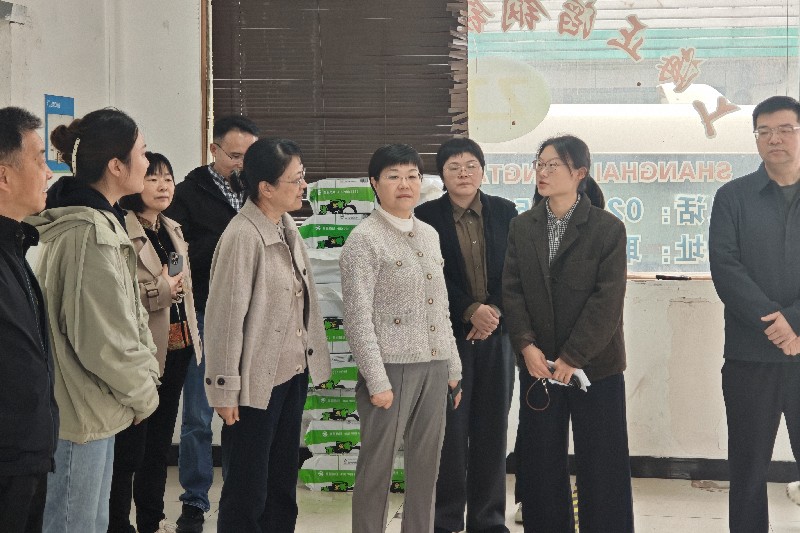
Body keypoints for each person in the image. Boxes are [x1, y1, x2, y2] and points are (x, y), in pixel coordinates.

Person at [28, 108, 160, 533]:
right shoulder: (88, 234)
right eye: (142, 153)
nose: (148, 162)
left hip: (93, 408)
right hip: (80, 414)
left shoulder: (98, 222)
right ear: (116, 166)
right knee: (74, 524)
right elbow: (103, 342)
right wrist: (144, 394)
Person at [503, 135, 633, 532]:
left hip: (596, 366)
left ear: (580, 173)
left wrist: (573, 357)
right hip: (539, 364)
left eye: (553, 165)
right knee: (541, 462)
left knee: (603, 461)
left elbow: (607, 301)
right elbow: (512, 291)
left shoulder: (607, 228)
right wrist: (525, 346)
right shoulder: (522, 226)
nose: (542, 172)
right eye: (539, 164)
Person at [204, 138, 332, 532]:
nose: (303, 185)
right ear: (266, 188)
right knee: (248, 488)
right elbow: (224, 320)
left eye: (303, 176)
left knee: (281, 482)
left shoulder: (287, 225)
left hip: (290, 374)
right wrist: (224, 389)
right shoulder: (243, 236)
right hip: (254, 385)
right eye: (296, 179)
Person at [339, 143, 463, 533]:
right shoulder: (364, 240)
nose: (404, 184)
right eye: (393, 176)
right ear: (374, 183)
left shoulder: (429, 234)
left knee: (426, 469)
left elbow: (440, 307)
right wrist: (376, 379)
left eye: (412, 176)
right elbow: (357, 317)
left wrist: (453, 368)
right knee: (376, 469)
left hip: (435, 365)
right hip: (390, 369)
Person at [415, 137, 517, 533]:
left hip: (497, 338)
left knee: (492, 430)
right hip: (447, 338)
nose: (463, 173)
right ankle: (444, 520)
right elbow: (429, 276)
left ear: (483, 171)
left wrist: (493, 311)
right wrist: (469, 309)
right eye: (454, 167)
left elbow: (515, 270)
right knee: (450, 432)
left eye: (471, 165)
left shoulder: (505, 212)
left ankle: (488, 520)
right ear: (441, 175)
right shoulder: (425, 217)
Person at [709, 95, 800, 532]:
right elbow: (725, 268)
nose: (774, 139)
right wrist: (777, 324)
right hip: (750, 357)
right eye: (764, 132)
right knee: (747, 471)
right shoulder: (733, 197)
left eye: (784, 129)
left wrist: (795, 321)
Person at [163, 115, 258, 532]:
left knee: (247, 412)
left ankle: (240, 496)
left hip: (252, 316)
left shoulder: (260, 190)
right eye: (235, 156)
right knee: (199, 416)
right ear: (213, 150)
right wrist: (227, 243)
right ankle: (195, 501)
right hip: (204, 313)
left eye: (250, 156)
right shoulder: (188, 193)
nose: (242, 164)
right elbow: (176, 255)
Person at [106, 152, 202, 533]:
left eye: (168, 178)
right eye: (153, 178)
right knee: (131, 445)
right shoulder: (122, 229)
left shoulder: (171, 229)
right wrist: (163, 288)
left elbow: (180, 285)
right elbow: (125, 296)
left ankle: (151, 518)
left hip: (177, 347)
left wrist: (169, 288)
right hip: (142, 353)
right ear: (135, 184)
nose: (163, 186)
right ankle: (117, 523)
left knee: (160, 443)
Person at [0, 106, 57, 533]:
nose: (49, 173)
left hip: (27, 453)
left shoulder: (15, 246)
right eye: (39, 159)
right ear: (4, 176)